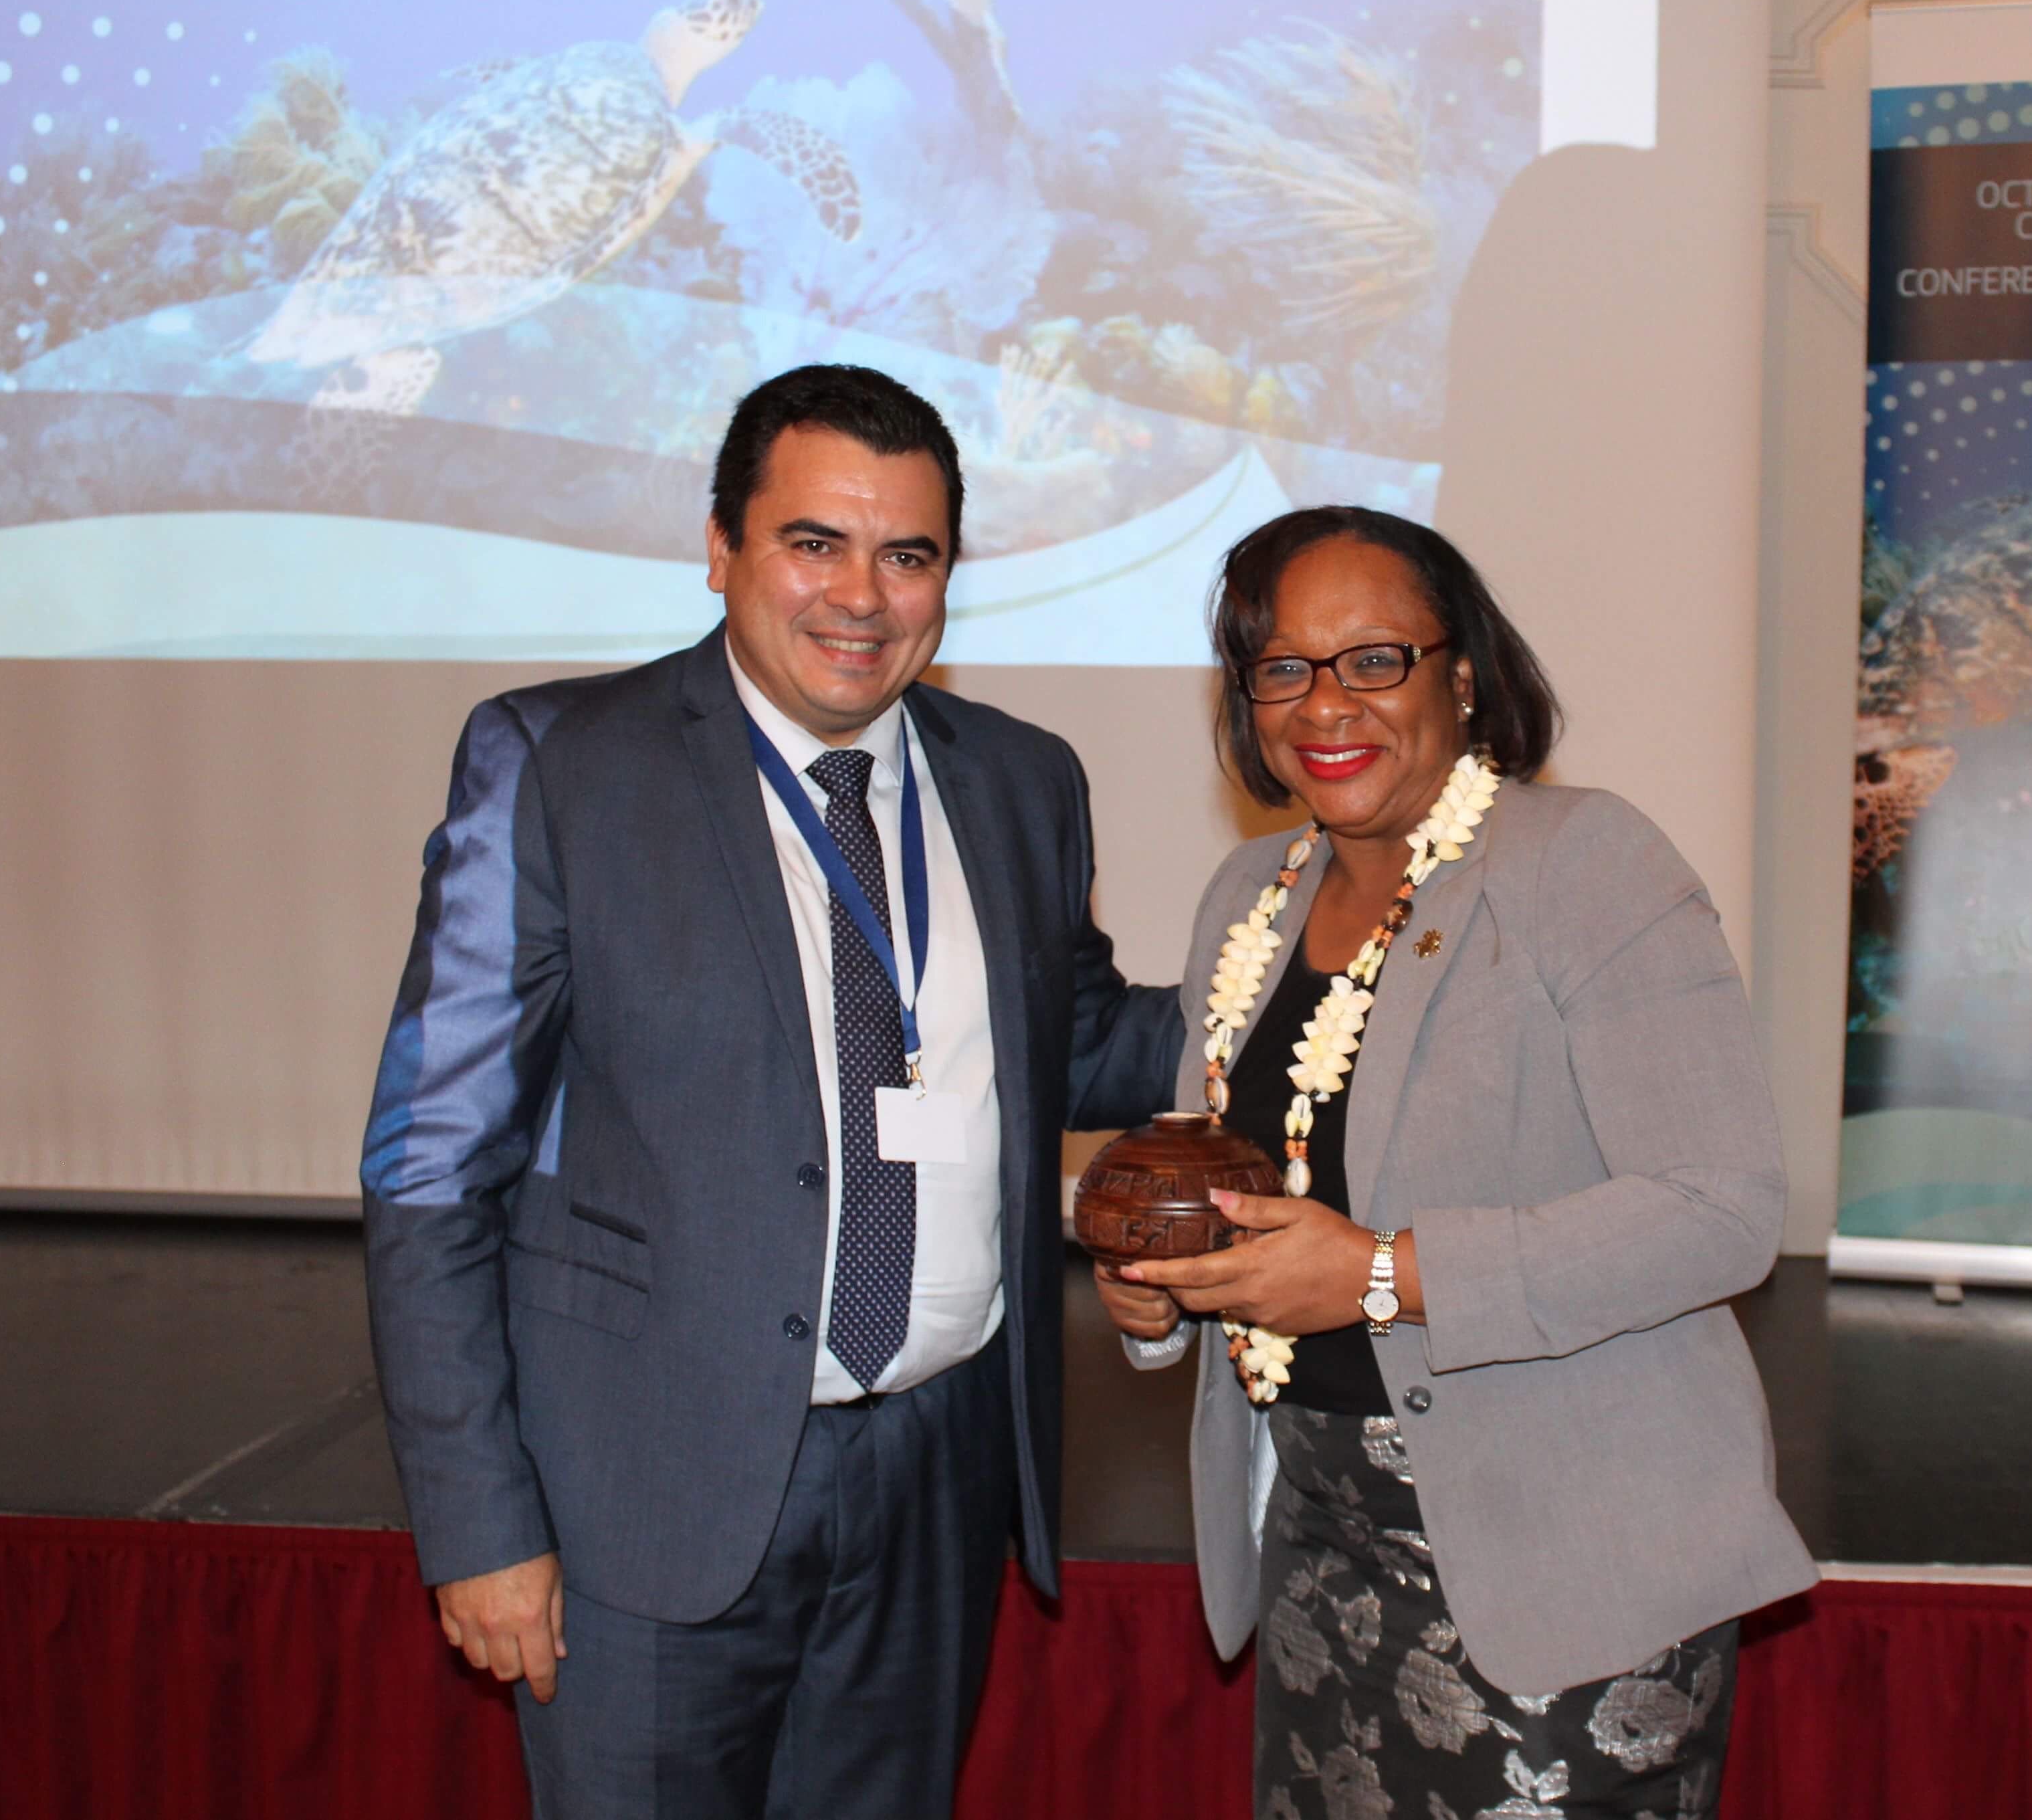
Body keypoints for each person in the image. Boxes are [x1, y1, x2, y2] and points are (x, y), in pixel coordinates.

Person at [361, 363, 1181, 1819]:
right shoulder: (560, 765)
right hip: (649, 1497)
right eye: (816, 542)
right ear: (724, 545)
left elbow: (1085, 1039)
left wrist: (1319, 986)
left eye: (907, 554)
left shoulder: (1020, 779)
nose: (861, 595)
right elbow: (432, 1172)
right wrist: (478, 1525)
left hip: (938, 1480)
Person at [1094, 506, 1815, 1817]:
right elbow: (1237, 1193)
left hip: (1563, 1571)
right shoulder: (1244, 898)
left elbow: (1720, 1208)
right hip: (1317, 1556)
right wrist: (1161, 1299)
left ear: (1462, 676)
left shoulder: (1582, 863)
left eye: (1373, 659)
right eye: (1282, 666)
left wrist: (1380, 1276)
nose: (1326, 702)